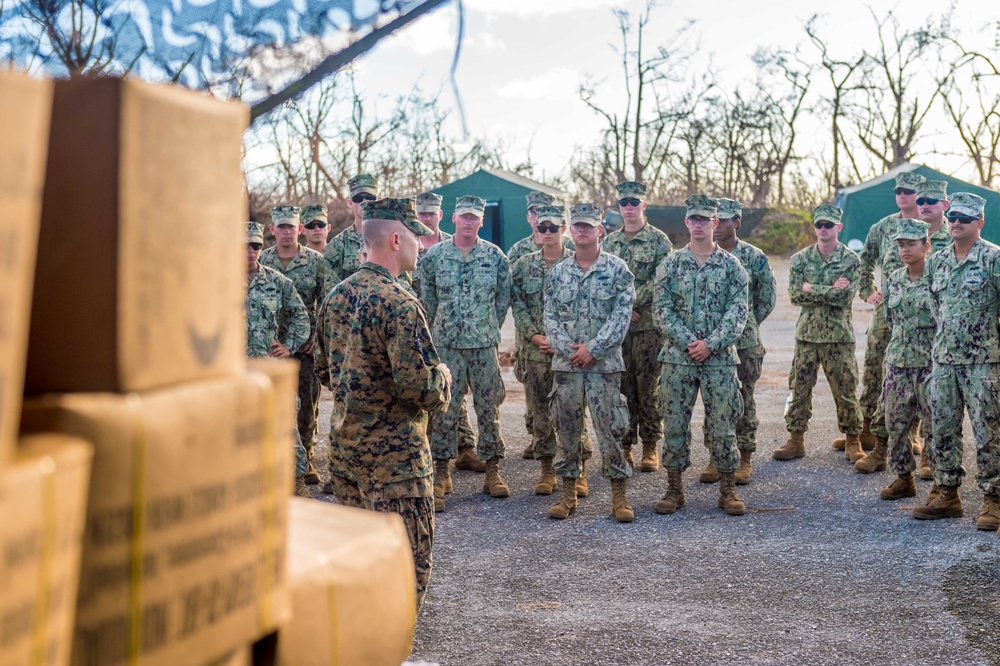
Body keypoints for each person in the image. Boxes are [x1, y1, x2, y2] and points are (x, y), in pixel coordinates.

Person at [314, 197, 452, 612]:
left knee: (361, 563)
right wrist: (442, 377)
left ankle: (362, 642)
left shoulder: (337, 296)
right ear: (395, 239)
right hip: (397, 463)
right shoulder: (400, 303)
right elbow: (418, 387)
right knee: (406, 567)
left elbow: (324, 370)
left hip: (347, 453)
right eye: (416, 237)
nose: (422, 246)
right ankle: (392, 646)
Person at [652, 195, 749, 517]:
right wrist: (690, 341)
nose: (698, 225)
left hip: (719, 360)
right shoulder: (671, 264)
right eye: (692, 219)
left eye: (704, 220)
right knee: (675, 425)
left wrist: (711, 343)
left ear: (715, 223)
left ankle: (727, 490)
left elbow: (738, 313)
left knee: (723, 425)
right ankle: (674, 489)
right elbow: (661, 311)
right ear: (686, 223)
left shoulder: (732, 267)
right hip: (678, 359)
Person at [912, 193, 1000, 531]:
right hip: (945, 360)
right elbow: (937, 306)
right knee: (943, 429)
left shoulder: (993, 259)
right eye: (953, 218)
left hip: (983, 362)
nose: (957, 223)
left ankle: (993, 498)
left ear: (980, 222)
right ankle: (947, 493)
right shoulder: (937, 262)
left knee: (988, 431)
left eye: (965, 218)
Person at [419, 195, 512, 511]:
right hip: (446, 345)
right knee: (444, 410)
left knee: (489, 408)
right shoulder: (434, 257)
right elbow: (427, 299)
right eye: (464, 217)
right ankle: (442, 474)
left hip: (484, 345)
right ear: (453, 219)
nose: (469, 222)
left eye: (475, 217)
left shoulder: (495, 257)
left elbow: (502, 299)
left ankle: (493, 472)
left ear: (481, 222)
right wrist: (433, 337)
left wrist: (487, 326)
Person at [543, 203, 635, 522]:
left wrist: (593, 349)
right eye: (577, 226)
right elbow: (550, 316)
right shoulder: (558, 273)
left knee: (610, 429)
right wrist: (569, 350)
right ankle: (568, 494)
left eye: (589, 226)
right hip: (567, 367)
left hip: (603, 366)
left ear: (600, 230)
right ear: (570, 230)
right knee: (567, 429)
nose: (582, 230)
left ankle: (619, 496)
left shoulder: (618, 269)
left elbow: (621, 315)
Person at [859, 180, 953, 479]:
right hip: (894, 320)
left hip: (930, 337)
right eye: (919, 198)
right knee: (882, 381)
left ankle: (927, 453)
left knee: (930, 396)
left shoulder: (954, 237)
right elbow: (867, 260)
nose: (923, 204)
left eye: (931, 200)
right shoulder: (891, 229)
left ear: (944, 205)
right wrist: (868, 291)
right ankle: (877, 442)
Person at [774, 204, 864, 462]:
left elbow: (844, 297)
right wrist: (828, 289)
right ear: (814, 228)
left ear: (839, 227)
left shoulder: (850, 260)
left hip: (838, 337)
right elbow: (794, 294)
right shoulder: (800, 259)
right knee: (799, 389)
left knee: (845, 390)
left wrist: (811, 288)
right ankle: (796, 439)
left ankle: (853, 440)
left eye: (828, 225)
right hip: (807, 337)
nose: (823, 229)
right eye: (819, 225)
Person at [698, 198, 776, 486]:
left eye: (726, 219)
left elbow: (766, 299)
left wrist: (745, 323)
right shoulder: (703, 255)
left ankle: (744, 458)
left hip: (744, 344)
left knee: (743, 400)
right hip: (710, 343)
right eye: (714, 219)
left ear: (737, 222)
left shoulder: (754, 257)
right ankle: (715, 457)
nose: (718, 225)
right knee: (713, 400)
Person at [855, 219, 934, 500]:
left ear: (926, 245)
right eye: (900, 244)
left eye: (911, 244)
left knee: (936, 425)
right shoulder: (894, 281)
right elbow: (892, 320)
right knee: (895, 423)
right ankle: (903, 478)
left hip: (930, 364)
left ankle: (941, 486)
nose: (905, 249)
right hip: (899, 363)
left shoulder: (938, 278)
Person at [848, 171, 925, 453]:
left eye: (908, 190)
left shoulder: (929, 229)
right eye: (898, 191)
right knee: (873, 367)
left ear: (919, 194)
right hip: (885, 311)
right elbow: (863, 262)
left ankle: (912, 433)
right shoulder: (883, 227)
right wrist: (868, 290)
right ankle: (867, 429)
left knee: (916, 372)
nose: (902, 195)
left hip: (917, 316)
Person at [511, 204, 583, 495]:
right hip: (536, 352)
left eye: (554, 227)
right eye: (543, 227)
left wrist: (565, 341)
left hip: (568, 353)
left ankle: (578, 471)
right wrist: (534, 336)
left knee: (573, 413)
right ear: (537, 230)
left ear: (564, 229)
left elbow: (584, 308)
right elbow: (518, 305)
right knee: (540, 414)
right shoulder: (523, 265)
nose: (548, 232)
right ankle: (546, 470)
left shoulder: (578, 263)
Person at [602, 181, 673, 471]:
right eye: (624, 203)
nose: (629, 207)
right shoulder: (608, 243)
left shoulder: (660, 242)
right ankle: (626, 443)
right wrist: (622, 308)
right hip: (618, 332)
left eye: (634, 202)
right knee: (622, 388)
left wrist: (630, 303)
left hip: (648, 328)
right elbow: (603, 281)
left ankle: (651, 446)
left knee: (649, 387)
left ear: (644, 205)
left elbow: (662, 280)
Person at [412, 191, 482, 475]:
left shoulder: (450, 245)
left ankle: (464, 448)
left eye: (431, 213)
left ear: (441, 215)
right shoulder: (406, 243)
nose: (426, 217)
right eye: (422, 213)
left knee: (454, 389)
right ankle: (427, 451)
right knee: (426, 389)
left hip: (449, 330)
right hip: (416, 328)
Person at [259, 205, 330, 485]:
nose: (287, 232)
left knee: (306, 403)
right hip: (271, 346)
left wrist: (317, 336)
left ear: (300, 229)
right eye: (282, 227)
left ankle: (306, 458)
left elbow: (326, 300)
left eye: (292, 226)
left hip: (305, 346)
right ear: (272, 230)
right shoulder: (262, 261)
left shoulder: (315, 261)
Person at [245, 221, 312, 497]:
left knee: (285, 425)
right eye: (244, 245)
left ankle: (296, 481)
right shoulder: (218, 280)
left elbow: (300, 315)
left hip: (269, 367)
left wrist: (289, 345)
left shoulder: (277, 281)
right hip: (233, 369)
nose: (250, 250)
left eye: (256, 245)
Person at [324, 173, 379, 285]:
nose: (364, 202)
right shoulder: (337, 245)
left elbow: (404, 287)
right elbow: (332, 292)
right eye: (358, 198)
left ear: (379, 200)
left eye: (369, 197)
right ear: (350, 203)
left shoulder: (392, 240)